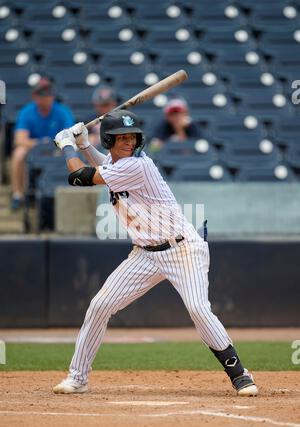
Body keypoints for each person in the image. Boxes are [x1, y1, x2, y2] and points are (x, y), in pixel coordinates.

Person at [53, 110, 258, 397]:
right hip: (145, 255)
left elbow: (79, 177)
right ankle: (77, 377)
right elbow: (106, 166)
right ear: (109, 140)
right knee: (100, 305)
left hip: (182, 249)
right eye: (121, 137)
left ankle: (239, 374)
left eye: (132, 137)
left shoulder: (138, 166)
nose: (127, 142)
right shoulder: (118, 163)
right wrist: (86, 146)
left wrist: (67, 146)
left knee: (199, 309)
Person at [10, 77, 74, 210]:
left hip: (56, 148)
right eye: (42, 94)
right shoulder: (27, 112)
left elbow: (70, 136)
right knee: (18, 153)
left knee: (72, 151)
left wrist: (52, 144)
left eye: (48, 94)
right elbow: (19, 139)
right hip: (34, 148)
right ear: (35, 96)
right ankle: (17, 194)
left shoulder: (62, 111)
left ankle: (69, 189)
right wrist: (40, 143)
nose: (46, 97)